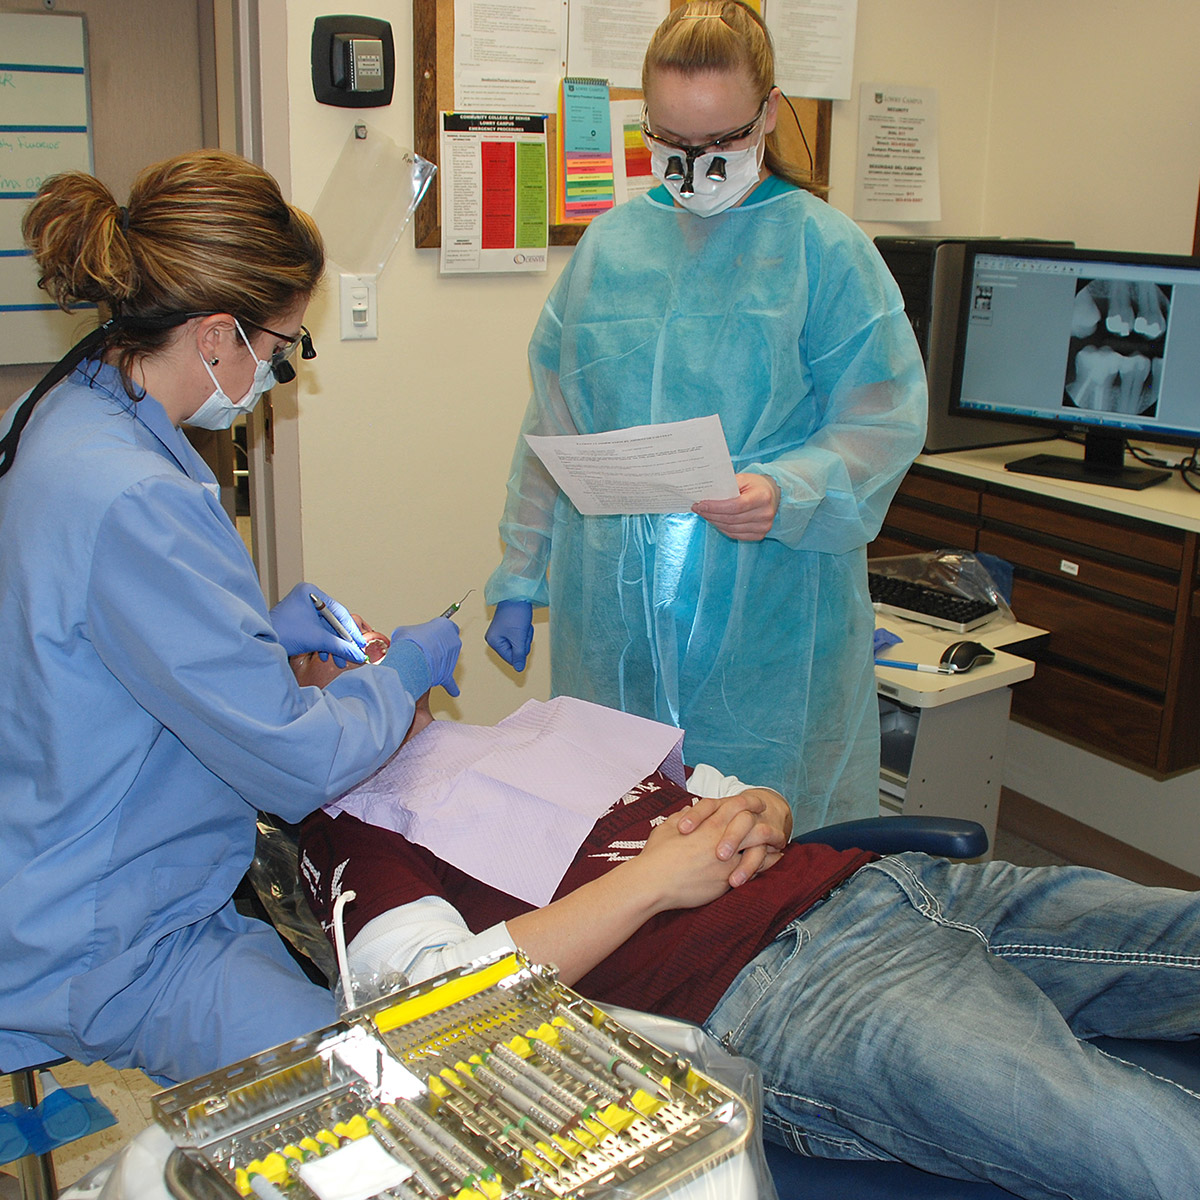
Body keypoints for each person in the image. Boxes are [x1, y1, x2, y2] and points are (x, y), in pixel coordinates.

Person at [299, 701, 1200, 1200]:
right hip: (784, 990)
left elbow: (733, 792)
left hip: (889, 882)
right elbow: (427, 1007)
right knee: (1136, 1140)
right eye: (332, 655)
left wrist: (766, 808)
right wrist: (654, 880)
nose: (369, 651)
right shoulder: (359, 828)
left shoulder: (535, 732)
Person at [0, 150, 461, 1085]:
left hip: (62, 865)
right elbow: (297, 761)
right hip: (108, 940)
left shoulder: (73, 404)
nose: (279, 372)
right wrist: (402, 672)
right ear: (216, 335)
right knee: (373, 1091)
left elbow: (112, 635)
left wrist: (253, 631)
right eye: (284, 350)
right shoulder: (132, 495)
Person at [484, 0, 927, 833]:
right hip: (613, 607)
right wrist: (519, 577)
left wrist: (784, 489)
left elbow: (883, 420)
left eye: (720, 142)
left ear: (765, 112)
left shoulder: (824, 251)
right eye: (672, 144)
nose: (696, 166)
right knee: (621, 829)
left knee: (763, 842)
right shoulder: (611, 249)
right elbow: (555, 425)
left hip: (767, 604)